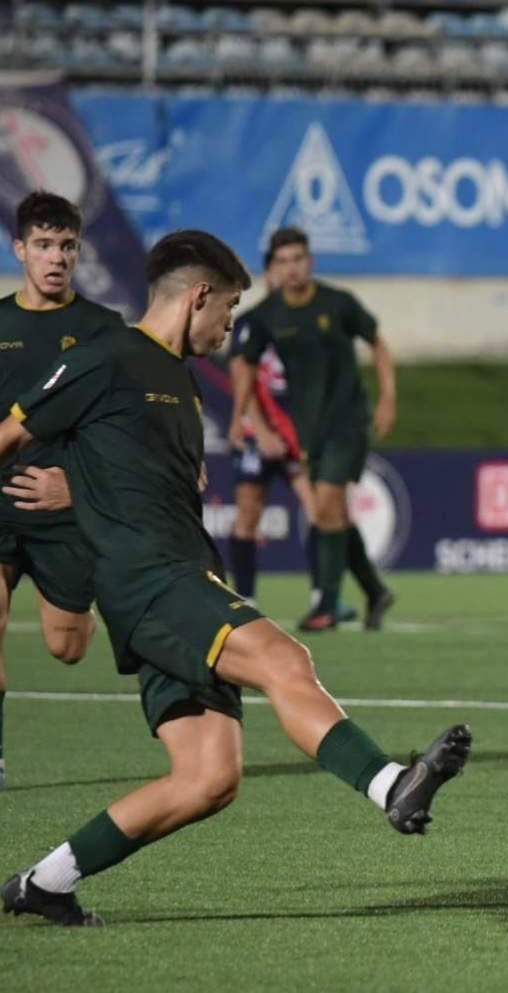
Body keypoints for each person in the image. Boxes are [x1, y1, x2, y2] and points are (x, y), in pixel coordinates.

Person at [0, 230, 469, 927]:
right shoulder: (106, 356)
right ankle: (389, 783)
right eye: (227, 308)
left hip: (180, 574)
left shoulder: (179, 380)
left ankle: (44, 881)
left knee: (207, 780)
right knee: (285, 658)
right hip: (150, 580)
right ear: (197, 296)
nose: (229, 325)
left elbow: (122, 469)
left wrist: (84, 487)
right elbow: (10, 435)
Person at [0, 191, 125, 788]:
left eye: (67, 246)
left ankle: (85, 608)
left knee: (67, 648)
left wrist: (73, 485)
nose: (56, 257)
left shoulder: (103, 330)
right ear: (20, 249)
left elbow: (124, 428)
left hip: (61, 509)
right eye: (44, 245)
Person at [229, 227, 395, 632]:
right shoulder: (268, 315)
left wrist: (388, 397)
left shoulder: (337, 303)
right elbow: (245, 367)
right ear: (273, 267)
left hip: (347, 422)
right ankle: (375, 590)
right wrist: (241, 415)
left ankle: (325, 603)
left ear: (310, 261)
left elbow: (378, 343)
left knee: (324, 505)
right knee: (331, 512)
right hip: (306, 430)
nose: (291, 268)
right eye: (283, 261)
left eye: (298, 259)